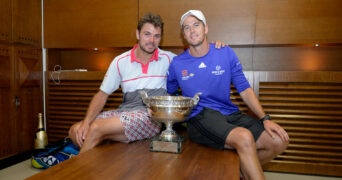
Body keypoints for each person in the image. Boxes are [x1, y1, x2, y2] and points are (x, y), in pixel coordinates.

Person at [68, 13, 225, 153]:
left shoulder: (170, 59)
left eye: (156, 36)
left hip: (150, 117)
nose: (151, 40)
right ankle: (100, 161)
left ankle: (78, 172)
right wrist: (86, 123)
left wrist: (212, 47)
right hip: (124, 112)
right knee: (75, 131)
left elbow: (195, 59)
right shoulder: (120, 61)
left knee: (95, 129)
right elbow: (102, 95)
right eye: (147, 34)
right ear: (138, 34)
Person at [167, 10, 289, 180]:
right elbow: (169, 95)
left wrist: (265, 118)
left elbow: (244, 88)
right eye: (186, 28)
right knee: (244, 138)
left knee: (278, 141)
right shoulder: (177, 63)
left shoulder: (224, 52)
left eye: (196, 25)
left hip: (229, 113)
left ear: (206, 28)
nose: (192, 30)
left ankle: (235, 173)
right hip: (200, 116)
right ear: (183, 35)